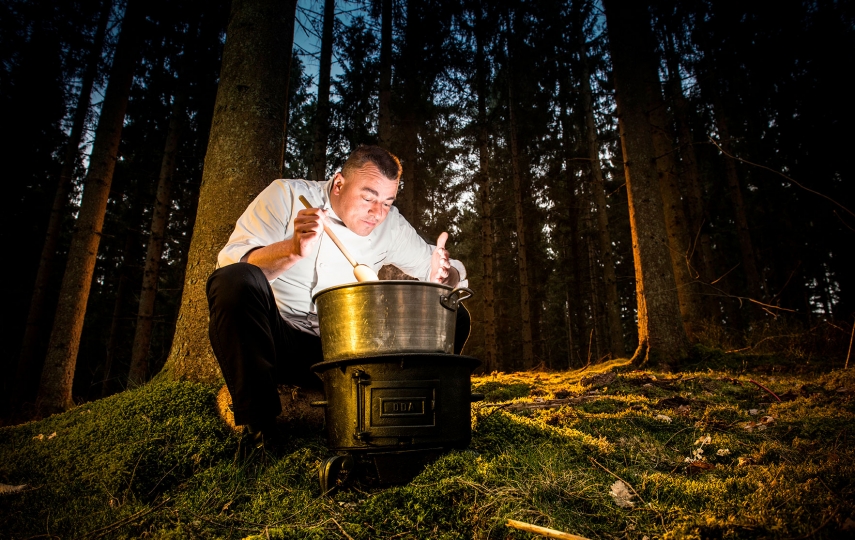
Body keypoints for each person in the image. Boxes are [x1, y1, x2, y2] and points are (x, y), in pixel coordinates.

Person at [206, 145, 469, 442]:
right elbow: (231, 267)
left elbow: (437, 267)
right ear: (340, 183)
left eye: (386, 202)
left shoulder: (391, 225)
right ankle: (260, 430)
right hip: (276, 343)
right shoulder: (286, 195)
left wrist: (446, 275)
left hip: (347, 350)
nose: (376, 213)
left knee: (452, 312)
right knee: (234, 281)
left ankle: (416, 417)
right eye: (368, 198)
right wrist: (291, 250)